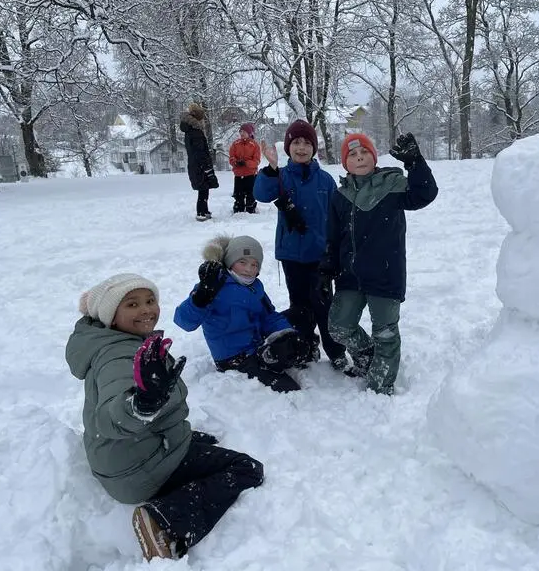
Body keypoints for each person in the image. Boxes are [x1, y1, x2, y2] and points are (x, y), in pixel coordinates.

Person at [66, 273, 264, 561]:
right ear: (110, 315)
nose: (146, 309)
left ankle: (180, 444)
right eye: (132, 305)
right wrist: (141, 405)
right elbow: (111, 416)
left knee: (201, 444)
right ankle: (164, 522)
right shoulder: (117, 357)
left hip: (124, 457)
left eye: (150, 300)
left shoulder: (119, 341)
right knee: (246, 468)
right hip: (137, 472)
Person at [318, 132, 438, 395]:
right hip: (350, 276)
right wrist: (328, 267)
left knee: (385, 332)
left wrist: (415, 163)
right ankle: (366, 354)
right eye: (352, 154)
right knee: (339, 326)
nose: (359, 157)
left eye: (364, 153)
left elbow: (425, 194)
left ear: (373, 157)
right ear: (344, 163)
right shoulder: (341, 196)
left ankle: (379, 386)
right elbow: (333, 235)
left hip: (385, 274)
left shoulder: (392, 185)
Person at [252, 119, 349, 372]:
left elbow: (337, 217)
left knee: (325, 306)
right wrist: (271, 168)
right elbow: (261, 194)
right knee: (300, 307)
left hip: (321, 256)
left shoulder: (326, 180)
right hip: (292, 256)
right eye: (296, 142)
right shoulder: (281, 176)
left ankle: (336, 351)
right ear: (288, 147)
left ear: (314, 148)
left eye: (307, 143)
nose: (302, 147)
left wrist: (336, 250)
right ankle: (305, 347)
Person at [174, 235, 313, 393]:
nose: (249, 269)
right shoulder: (213, 286)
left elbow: (269, 316)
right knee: (289, 388)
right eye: (242, 262)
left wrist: (289, 334)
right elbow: (184, 321)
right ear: (230, 262)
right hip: (234, 358)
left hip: (257, 345)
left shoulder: (255, 286)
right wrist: (200, 299)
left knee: (300, 315)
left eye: (254, 264)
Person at [180, 103, 219, 221]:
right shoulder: (195, 132)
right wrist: (206, 165)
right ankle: (201, 212)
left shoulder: (189, 131)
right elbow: (200, 151)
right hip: (200, 165)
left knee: (204, 188)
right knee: (203, 189)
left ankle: (204, 210)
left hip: (195, 165)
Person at [229, 123, 262, 214]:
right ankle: (238, 208)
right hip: (239, 174)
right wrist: (235, 162)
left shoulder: (255, 145)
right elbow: (231, 157)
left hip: (250, 174)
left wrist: (246, 163)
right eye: (240, 131)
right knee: (238, 194)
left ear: (250, 133)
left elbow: (256, 161)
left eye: (244, 131)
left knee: (251, 194)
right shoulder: (235, 144)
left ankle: (250, 208)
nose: (242, 133)